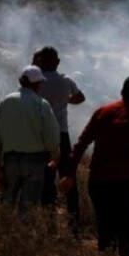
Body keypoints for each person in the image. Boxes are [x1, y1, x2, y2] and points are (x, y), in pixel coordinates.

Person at [60, 76, 129, 256]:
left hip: (99, 182)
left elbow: (80, 145)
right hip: (126, 185)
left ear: (121, 91)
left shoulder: (103, 112)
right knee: (127, 233)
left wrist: (70, 174)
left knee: (105, 231)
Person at [0, 65, 60, 218]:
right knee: (28, 207)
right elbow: (51, 136)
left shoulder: (3, 103)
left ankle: (0, 234)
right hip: (35, 162)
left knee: (7, 202)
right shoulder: (41, 104)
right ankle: (23, 237)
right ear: (36, 84)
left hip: (10, 161)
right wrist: (55, 155)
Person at [37, 47, 86, 232]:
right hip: (61, 134)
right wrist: (66, 100)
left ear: (40, 62)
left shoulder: (36, 82)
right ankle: (74, 225)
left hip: (41, 135)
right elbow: (80, 97)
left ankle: (50, 225)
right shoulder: (66, 80)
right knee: (67, 176)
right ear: (58, 62)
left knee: (46, 179)